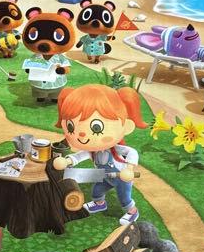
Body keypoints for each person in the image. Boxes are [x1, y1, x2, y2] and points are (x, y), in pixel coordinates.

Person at [52, 84, 148, 225]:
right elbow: (80, 156)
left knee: (124, 198)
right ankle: (100, 203)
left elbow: (131, 152)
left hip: (121, 178)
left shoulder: (115, 149)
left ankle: (132, 212)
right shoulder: (93, 150)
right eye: (71, 127)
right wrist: (67, 161)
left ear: (126, 126)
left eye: (96, 128)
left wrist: (129, 168)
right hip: (105, 176)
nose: (82, 134)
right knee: (97, 190)